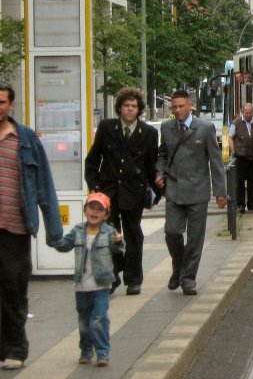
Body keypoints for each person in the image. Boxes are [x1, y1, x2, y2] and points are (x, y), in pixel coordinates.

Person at [0, 82, 63, 370]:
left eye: (2, 102)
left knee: (14, 288)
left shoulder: (25, 138)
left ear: (10, 105)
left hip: (15, 227)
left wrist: (54, 230)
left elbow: (43, 185)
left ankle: (15, 348)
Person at [84, 87, 158, 296]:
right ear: (119, 108)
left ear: (139, 109)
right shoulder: (107, 128)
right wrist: (95, 187)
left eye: (134, 106)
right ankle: (113, 274)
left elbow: (152, 167)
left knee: (134, 234)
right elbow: (92, 160)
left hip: (134, 192)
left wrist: (156, 191)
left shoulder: (149, 133)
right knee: (108, 235)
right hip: (108, 192)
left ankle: (134, 279)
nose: (130, 110)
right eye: (126, 105)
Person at [154, 90, 226, 296]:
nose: (177, 110)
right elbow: (163, 154)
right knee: (172, 232)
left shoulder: (204, 128)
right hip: (174, 190)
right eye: (174, 107)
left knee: (195, 238)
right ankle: (179, 265)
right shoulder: (167, 128)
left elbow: (216, 161)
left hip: (198, 191)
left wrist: (220, 192)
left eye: (181, 106)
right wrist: (159, 172)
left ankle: (188, 279)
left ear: (190, 105)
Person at [53, 192, 123, 367]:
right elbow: (64, 246)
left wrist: (118, 242)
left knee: (99, 318)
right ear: (85, 211)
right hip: (81, 285)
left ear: (106, 214)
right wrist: (53, 238)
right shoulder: (77, 230)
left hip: (101, 284)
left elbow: (119, 250)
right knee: (84, 321)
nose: (95, 212)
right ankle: (86, 349)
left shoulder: (109, 231)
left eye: (100, 209)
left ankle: (102, 352)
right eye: (92, 208)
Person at [228, 103, 253, 213]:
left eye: (250, 112)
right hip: (241, 157)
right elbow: (230, 137)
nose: (248, 115)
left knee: (252, 181)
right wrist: (234, 152)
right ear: (242, 112)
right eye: (246, 113)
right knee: (240, 182)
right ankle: (241, 204)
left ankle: (251, 203)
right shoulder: (236, 123)